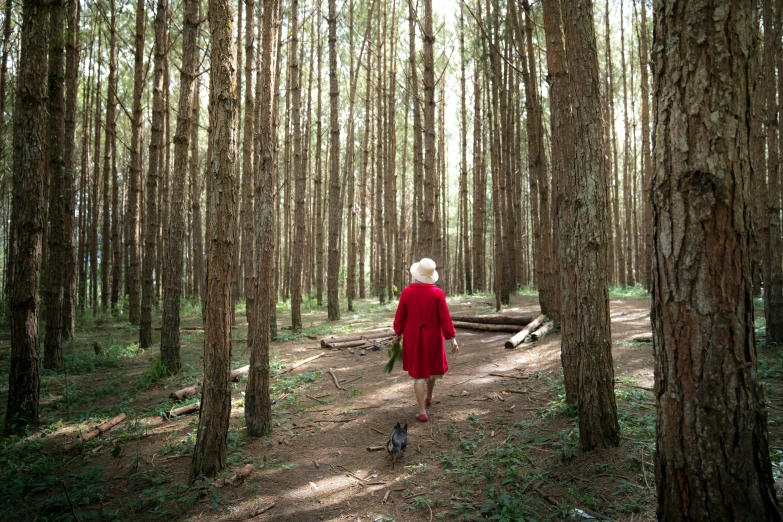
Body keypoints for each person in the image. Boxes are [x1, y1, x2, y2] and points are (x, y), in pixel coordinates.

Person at [392, 258, 459, 422]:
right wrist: (451, 338)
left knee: (418, 375)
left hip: (413, 338)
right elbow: (445, 318)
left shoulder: (407, 292)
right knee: (432, 368)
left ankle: (422, 411)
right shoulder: (438, 293)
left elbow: (400, 316)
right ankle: (429, 396)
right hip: (433, 338)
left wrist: (398, 334)